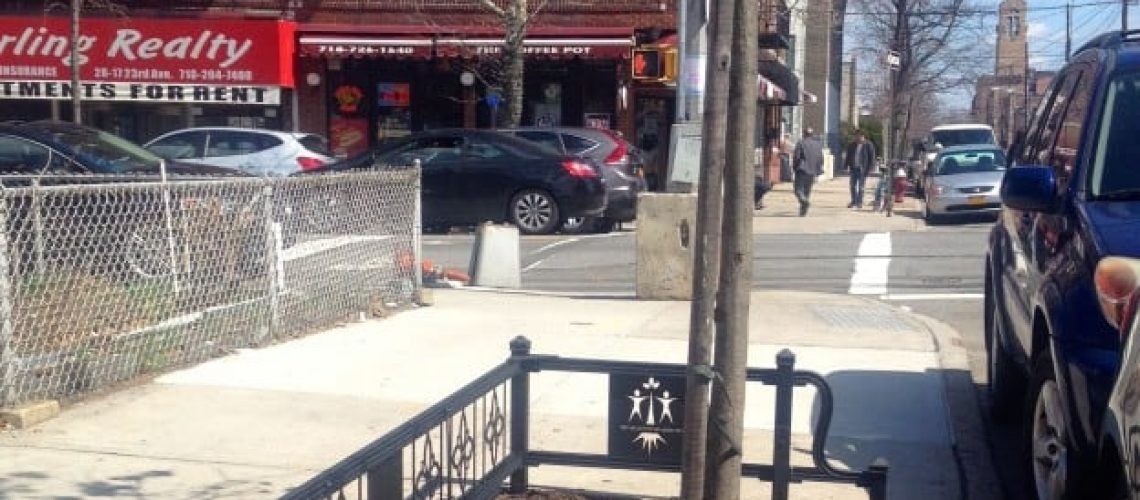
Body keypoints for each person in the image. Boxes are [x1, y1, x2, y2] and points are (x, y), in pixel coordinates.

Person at [792, 128, 825, 216]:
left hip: (802, 170)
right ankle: (803, 211)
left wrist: (794, 167)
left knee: (798, 190)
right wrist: (819, 169)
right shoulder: (818, 144)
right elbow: (821, 158)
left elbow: (797, 157)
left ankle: (804, 201)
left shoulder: (801, 143)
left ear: (804, 134)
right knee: (807, 191)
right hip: (812, 171)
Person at [844, 129, 877, 209]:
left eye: (858, 136)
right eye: (856, 136)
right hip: (853, 168)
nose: (857, 137)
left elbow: (872, 157)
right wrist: (845, 166)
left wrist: (871, 168)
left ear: (863, 136)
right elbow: (848, 156)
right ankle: (853, 201)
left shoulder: (868, 145)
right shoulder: (852, 145)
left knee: (861, 187)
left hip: (863, 169)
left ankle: (859, 202)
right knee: (852, 185)